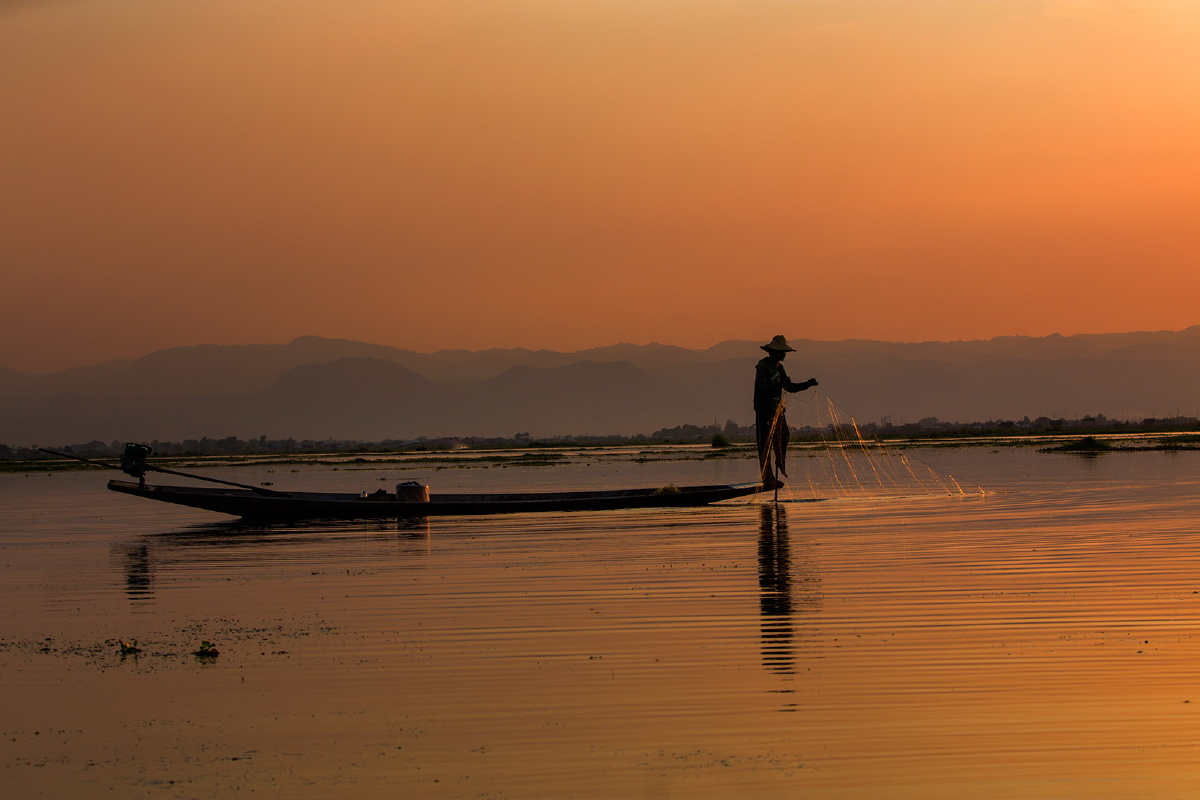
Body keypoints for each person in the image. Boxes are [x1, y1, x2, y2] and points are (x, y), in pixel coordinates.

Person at [754, 335, 818, 490]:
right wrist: (778, 386)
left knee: (784, 435)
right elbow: (762, 388)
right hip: (764, 410)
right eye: (782, 352)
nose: (784, 355)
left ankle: (780, 461)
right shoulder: (763, 367)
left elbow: (789, 387)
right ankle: (768, 478)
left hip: (777, 410)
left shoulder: (779, 368)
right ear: (774, 352)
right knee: (765, 446)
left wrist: (807, 384)